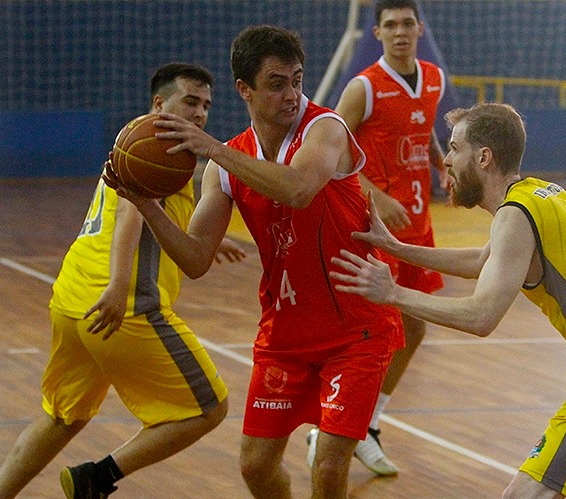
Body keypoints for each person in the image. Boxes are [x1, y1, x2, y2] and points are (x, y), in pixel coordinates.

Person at [105, 25, 404, 499]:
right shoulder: (229, 163)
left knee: (327, 468)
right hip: (286, 334)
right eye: (276, 83)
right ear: (244, 89)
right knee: (256, 467)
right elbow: (196, 258)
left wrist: (211, 150)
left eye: (297, 80)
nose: (292, 94)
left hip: (356, 330)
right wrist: (145, 204)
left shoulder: (325, 128)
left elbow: (299, 189)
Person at [330, 102, 566, 499]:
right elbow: (484, 260)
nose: (445, 160)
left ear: (483, 157)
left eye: (455, 148)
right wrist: (396, 248)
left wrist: (391, 293)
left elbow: (482, 316)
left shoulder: (515, 214)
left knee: (525, 494)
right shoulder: (543, 194)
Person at [0, 62, 245, 499]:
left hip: (71, 296)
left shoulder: (134, 136)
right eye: (191, 102)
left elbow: (144, 212)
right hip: (120, 305)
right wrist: (118, 287)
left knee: (62, 416)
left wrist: (197, 239)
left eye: (206, 106)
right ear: (160, 104)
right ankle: (96, 478)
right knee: (209, 407)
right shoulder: (160, 145)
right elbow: (130, 214)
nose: (201, 114)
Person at [318, 0, 452, 476]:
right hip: (376, 228)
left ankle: (368, 425)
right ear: (376, 32)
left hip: (418, 227)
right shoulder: (363, 88)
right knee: (376, 332)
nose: (400, 31)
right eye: (390, 25)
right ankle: (332, 424)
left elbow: (426, 131)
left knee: (414, 328)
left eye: (407, 23)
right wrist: (376, 194)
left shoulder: (433, 79)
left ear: (420, 28)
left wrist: (442, 165)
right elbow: (330, 150)